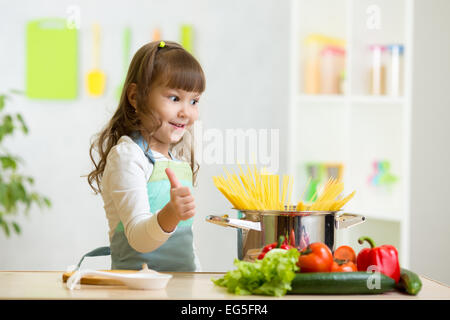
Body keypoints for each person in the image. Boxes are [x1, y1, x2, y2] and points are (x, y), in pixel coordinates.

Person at [81, 40, 205, 272]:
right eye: (174, 98)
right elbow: (139, 238)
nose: (186, 112)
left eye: (194, 101)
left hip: (181, 288)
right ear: (135, 97)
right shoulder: (127, 157)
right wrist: (171, 213)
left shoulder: (175, 161)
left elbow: (186, 245)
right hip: (136, 290)